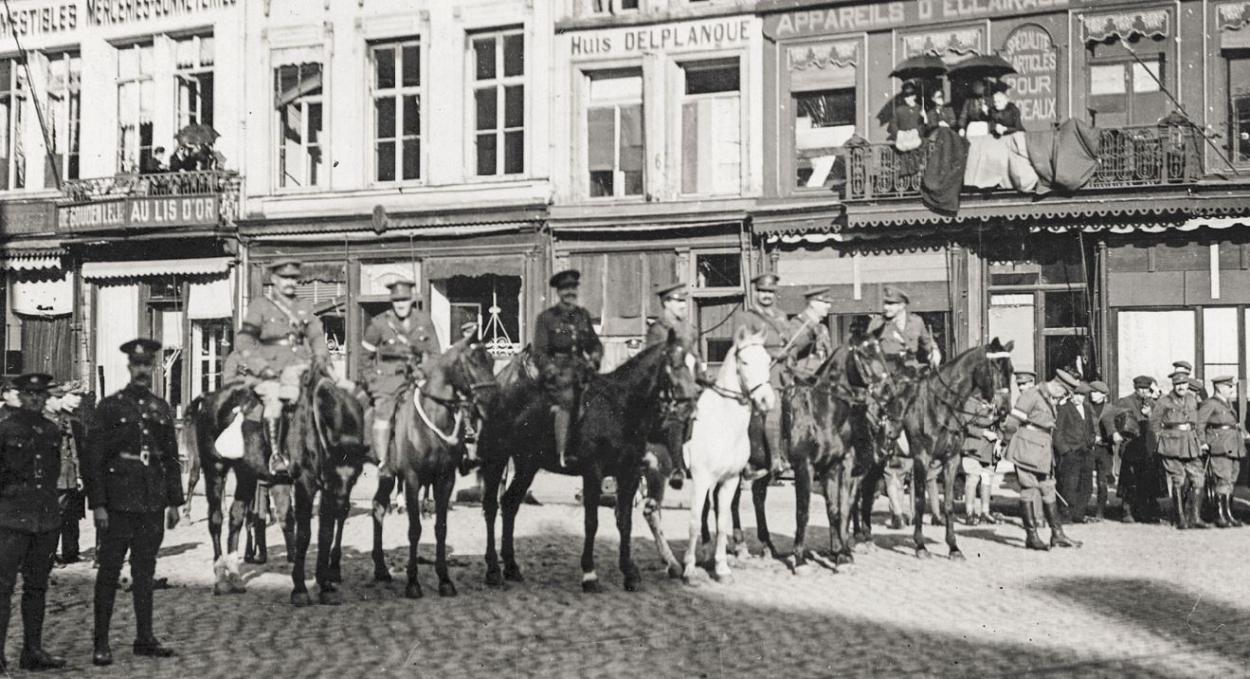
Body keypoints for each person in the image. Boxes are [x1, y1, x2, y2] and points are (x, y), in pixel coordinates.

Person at [84, 339, 184, 666]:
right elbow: (94, 459)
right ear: (129, 366)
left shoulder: (160, 408)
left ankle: (145, 637)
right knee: (110, 572)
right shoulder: (110, 407)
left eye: (147, 364)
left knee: (145, 571)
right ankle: (101, 642)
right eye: (137, 364)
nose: (142, 370)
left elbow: (170, 458)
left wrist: (174, 502)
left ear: (154, 367)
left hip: (152, 501)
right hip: (117, 503)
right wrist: (98, 504)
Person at [229, 258, 331, 474]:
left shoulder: (304, 307)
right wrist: (260, 367)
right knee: (275, 398)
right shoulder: (260, 306)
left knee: (329, 396)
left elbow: (316, 336)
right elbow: (244, 341)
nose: (290, 282)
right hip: (270, 373)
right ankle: (276, 455)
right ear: (274, 279)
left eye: (293, 277)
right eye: (285, 277)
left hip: (301, 369)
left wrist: (321, 355)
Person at [0, 373, 68, 672]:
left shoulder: (51, 430)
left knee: (37, 587)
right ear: (19, 395)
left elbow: (52, 476)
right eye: (30, 394)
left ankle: (32, 650)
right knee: (3, 588)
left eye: (40, 394)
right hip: (11, 520)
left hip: (44, 520)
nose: (36, 399)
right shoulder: (4, 430)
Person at [359, 279, 440, 469]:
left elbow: (436, 353)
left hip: (417, 378)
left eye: (404, 299)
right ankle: (383, 462)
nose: (401, 304)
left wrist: (424, 371)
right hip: (387, 381)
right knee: (383, 414)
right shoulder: (379, 324)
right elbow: (364, 357)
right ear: (391, 301)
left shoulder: (424, 320)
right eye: (396, 301)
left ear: (411, 299)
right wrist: (372, 382)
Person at [1003, 368, 1083, 550]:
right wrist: (1010, 445)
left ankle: (1057, 534)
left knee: (1048, 487)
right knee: (1028, 488)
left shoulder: (1047, 396)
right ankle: (1032, 536)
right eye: (1065, 392)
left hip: (1042, 448)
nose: (1064, 396)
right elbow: (1012, 423)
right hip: (1027, 449)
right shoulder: (1032, 395)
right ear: (1058, 385)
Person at [532, 270, 602, 469]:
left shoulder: (583, 316)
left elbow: (594, 344)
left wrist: (595, 357)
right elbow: (539, 352)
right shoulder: (547, 318)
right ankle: (563, 452)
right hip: (558, 375)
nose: (570, 292)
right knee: (568, 399)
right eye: (565, 289)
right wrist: (551, 370)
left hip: (582, 371)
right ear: (558, 292)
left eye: (573, 288)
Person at [732, 273, 791, 479]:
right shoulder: (746, 316)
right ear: (755, 293)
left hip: (785, 372)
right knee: (773, 409)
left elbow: (791, 341)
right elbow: (743, 346)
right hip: (762, 374)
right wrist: (773, 353)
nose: (766, 296)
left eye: (770, 292)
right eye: (762, 291)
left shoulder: (781, 316)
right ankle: (776, 459)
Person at [645, 282, 698, 488]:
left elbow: (696, 356)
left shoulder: (688, 329)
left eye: (684, 301)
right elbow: (652, 361)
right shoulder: (658, 330)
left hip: (689, 384)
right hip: (666, 388)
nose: (683, 305)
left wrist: (702, 377)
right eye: (678, 301)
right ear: (666, 304)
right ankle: (677, 467)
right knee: (675, 418)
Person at [1151, 368, 1205, 530]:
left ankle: (1194, 516)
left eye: (1184, 383)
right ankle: (1180, 517)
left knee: (1198, 479)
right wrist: (1160, 442)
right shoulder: (1164, 401)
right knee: (1178, 479)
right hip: (1171, 445)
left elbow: (1196, 422)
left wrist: (1200, 441)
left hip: (1190, 444)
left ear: (1188, 384)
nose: (1181, 387)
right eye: (1178, 384)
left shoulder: (1192, 399)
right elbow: (1154, 424)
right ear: (1173, 385)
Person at [1198, 376, 1247, 528]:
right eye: (1229, 387)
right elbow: (1199, 424)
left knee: (1231, 479)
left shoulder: (1227, 404)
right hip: (1220, 446)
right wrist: (1203, 442)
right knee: (1223, 480)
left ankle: (1228, 514)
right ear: (1219, 387)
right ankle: (1220, 515)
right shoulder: (1210, 404)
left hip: (1233, 445)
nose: (1232, 390)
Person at [49, 383, 87, 565]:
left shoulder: (69, 418)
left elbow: (74, 450)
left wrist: (79, 475)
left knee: (71, 514)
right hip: (56, 476)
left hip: (70, 474)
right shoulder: (46, 420)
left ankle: (70, 552)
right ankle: (50, 554)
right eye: (57, 398)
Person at [1113, 375, 1158, 523]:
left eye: (1147, 389)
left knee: (1147, 479)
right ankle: (1126, 510)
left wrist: (1150, 414)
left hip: (1147, 446)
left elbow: (1158, 423)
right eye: (1141, 389)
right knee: (1129, 478)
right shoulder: (1125, 401)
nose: (1144, 392)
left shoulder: (1153, 404)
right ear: (1135, 388)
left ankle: (1144, 511)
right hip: (1131, 446)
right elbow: (1118, 420)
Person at [867, 286, 941, 369]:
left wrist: (934, 352)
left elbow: (928, 343)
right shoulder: (877, 323)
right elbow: (867, 350)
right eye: (885, 303)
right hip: (889, 374)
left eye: (891, 304)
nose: (886, 307)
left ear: (902, 305)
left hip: (913, 372)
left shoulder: (916, 322)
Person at [1054, 382, 1096, 523]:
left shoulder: (1087, 408)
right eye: (1076, 394)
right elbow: (1057, 432)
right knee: (1069, 485)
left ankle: (1079, 514)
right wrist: (1065, 451)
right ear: (1071, 394)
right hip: (1071, 453)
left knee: (1086, 485)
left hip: (1086, 452)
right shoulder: (1064, 409)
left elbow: (1090, 428)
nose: (1079, 398)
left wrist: (1091, 442)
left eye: (1082, 395)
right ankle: (1065, 515)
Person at [960, 393, 1000, 525]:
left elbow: (999, 421)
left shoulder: (995, 399)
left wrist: (998, 439)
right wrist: (983, 433)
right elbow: (966, 424)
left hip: (990, 447)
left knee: (987, 479)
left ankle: (985, 512)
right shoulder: (971, 401)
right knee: (972, 478)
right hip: (973, 445)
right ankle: (970, 513)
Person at [784, 287, 835, 378]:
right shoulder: (796, 325)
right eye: (825, 303)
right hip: (802, 381)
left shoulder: (822, 328)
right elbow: (790, 359)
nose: (829, 306)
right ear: (813, 303)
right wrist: (809, 334)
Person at [1089, 380, 1116, 521]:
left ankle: (1100, 512)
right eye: (1092, 391)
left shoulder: (1110, 409)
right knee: (1086, 479)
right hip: (1089, 447)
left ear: (1104, 395)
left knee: (1102, 481)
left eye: (1097, 392)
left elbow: (1114, 427)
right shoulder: (1086, 406)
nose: (1093, 395)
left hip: (1104, 448)